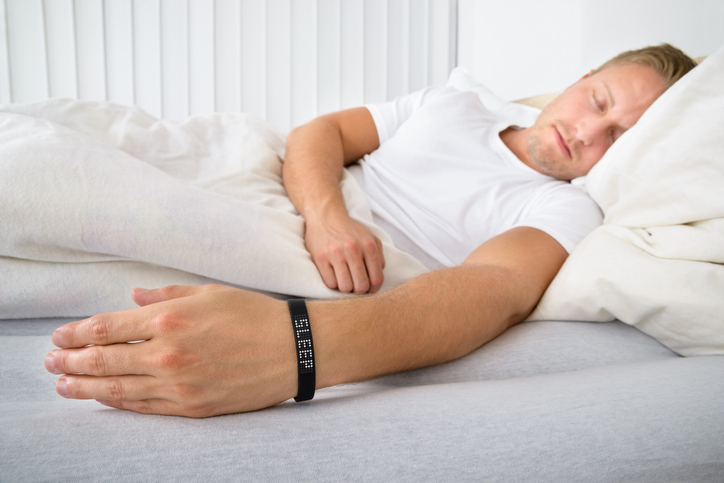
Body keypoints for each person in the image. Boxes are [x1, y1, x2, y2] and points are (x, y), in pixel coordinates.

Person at [43, 44, 696, 417]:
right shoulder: (457, 100)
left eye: (618, 138)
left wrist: (294, 349)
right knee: (51, 154)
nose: (587, 132)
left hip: (319, 254)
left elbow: (493, 286)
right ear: (581, 79)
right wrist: (330, 218)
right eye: (600, 103)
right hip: (290, 190)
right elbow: (319, 133)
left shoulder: (567, 208)